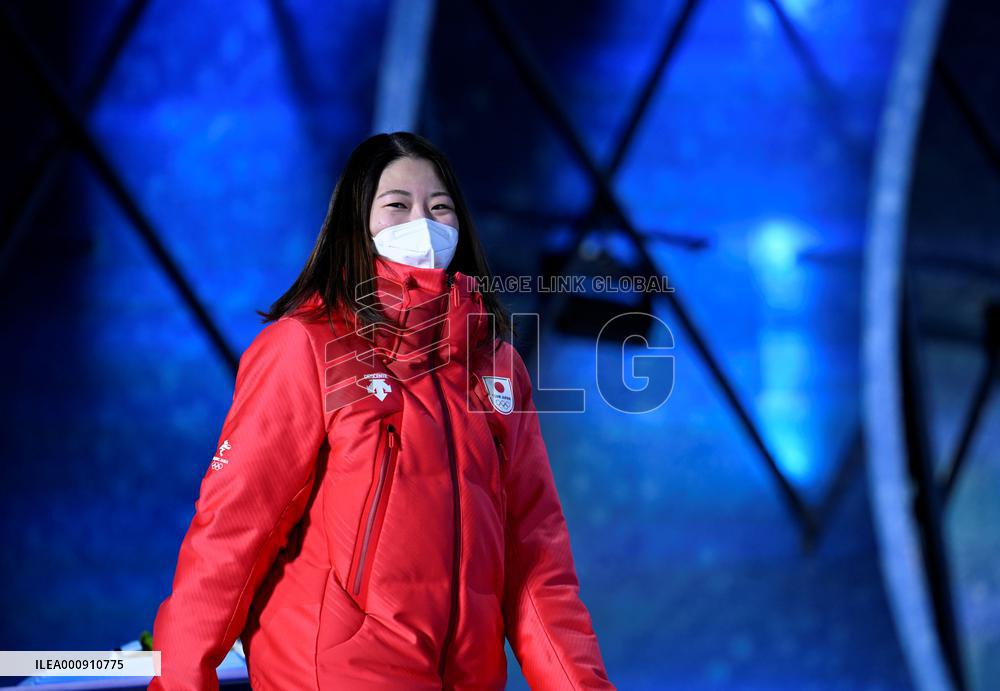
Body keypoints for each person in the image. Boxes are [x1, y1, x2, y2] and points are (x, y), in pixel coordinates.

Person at [149, 131, 614, 690]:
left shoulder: (497, 367)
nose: (424, 222)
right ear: (355, 224)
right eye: (397, 205)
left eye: (440, 207)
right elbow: (230, 537)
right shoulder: (305, 346)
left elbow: (537, 564)